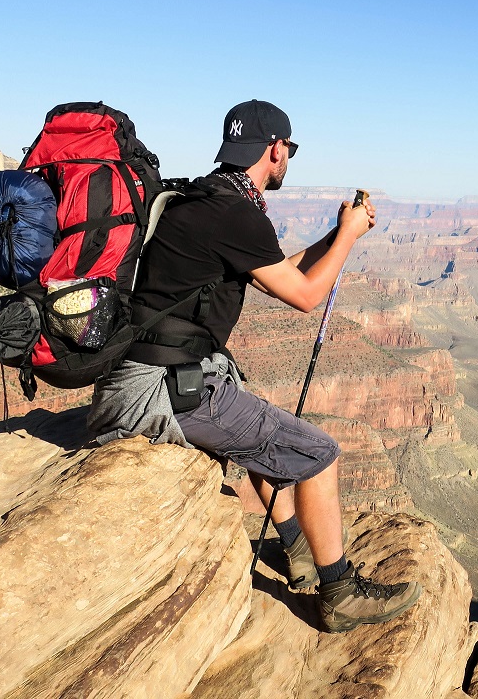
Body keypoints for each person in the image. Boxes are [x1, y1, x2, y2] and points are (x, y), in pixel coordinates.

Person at [89, 99, 422, 633]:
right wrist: (351, 238)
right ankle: (338, 592)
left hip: (145, 373)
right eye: (288, 148)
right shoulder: (234, 213)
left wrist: (337, 234)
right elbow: (307, 295)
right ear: (275, 149)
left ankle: (297, 553)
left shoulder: (205, 198)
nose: (288, 157)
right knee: (318, 454)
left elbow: (278, 270)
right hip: (160, 390)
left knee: (251, 411)